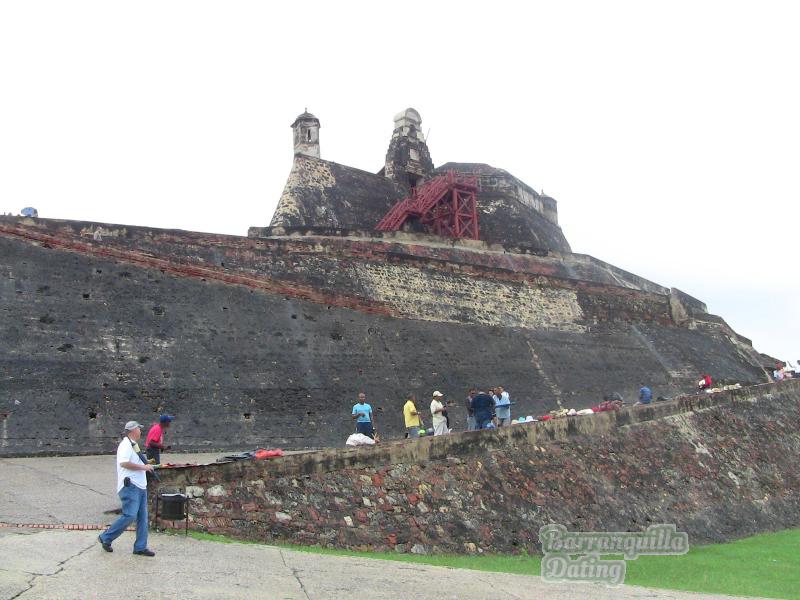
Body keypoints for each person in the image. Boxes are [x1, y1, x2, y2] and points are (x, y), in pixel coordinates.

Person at [98, 421, 156, 556]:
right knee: (130, 515)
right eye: (139, 429)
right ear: (133, 431)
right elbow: (124, 463)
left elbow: (135, 461)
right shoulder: (125, 445)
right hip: (130, 486)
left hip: (140, 486)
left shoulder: (133, 445)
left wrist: (147, 464)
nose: (141, 431)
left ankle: (140, 547)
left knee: (142, 517)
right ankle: (106, 537)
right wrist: (144, 467)